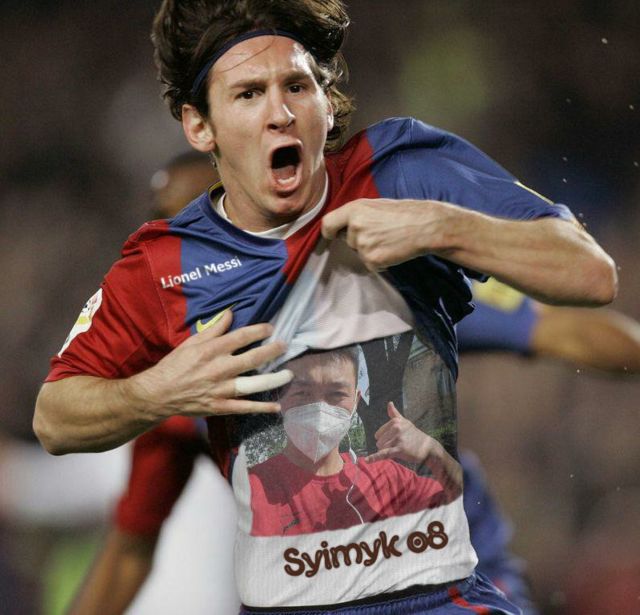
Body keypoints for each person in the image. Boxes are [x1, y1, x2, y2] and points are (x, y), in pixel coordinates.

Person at [33, 0, 618, 612]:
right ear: (200, 126)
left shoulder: (397, 174)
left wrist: (440, 224)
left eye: (297, 86)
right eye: (249, 94)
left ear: (327, 101)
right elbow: (55, 418)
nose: (280, 113)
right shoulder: (164, 264)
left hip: (436, 599)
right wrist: (156, 392)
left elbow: (589, 273)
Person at [248, 347, 462, 537]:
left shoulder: (388, 480)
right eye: (302, 393)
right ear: (278, 398)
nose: (320, 408)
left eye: (336, 394)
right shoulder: (248, 489)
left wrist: (433, 451)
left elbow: (469, 510)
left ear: (356, 401)